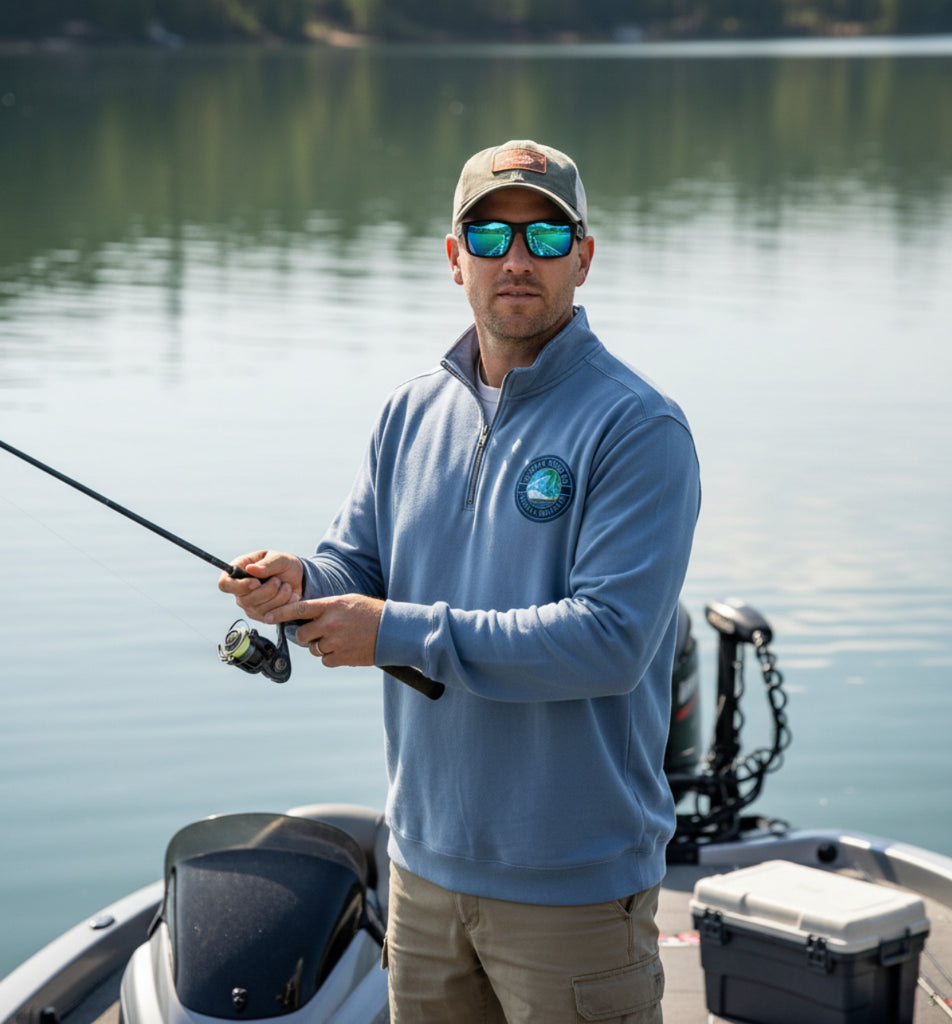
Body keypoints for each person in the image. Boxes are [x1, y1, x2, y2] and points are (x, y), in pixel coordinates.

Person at [219, 139, 701, 1023]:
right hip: (422, 873)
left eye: (547, 239)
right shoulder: (409, 411)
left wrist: (394, 631)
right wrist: (294, 584)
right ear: (454, 258)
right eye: (490, 235)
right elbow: (354, 566)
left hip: (574, 892)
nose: (517, 260)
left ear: (584, 258)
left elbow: (610, 642)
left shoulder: (639, 427)